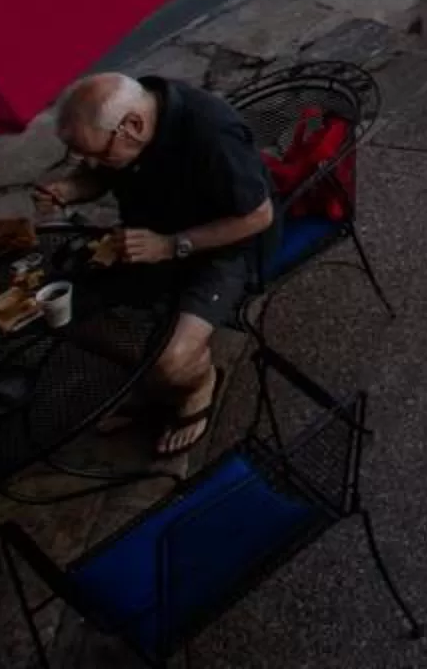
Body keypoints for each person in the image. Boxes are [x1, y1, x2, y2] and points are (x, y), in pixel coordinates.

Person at [35, 72, 273, 457]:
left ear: (133, 126)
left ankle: (197, 385)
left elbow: (258, 217)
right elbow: (97, 178)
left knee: (172, 360)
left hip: (223, 248)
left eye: (98, 154)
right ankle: (155, 378)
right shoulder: (135, 119)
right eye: (84, 156)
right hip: (150, 235)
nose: (93, 164)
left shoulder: (212, 134)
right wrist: (69, 189)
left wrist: (170, 245)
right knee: (58, 311)